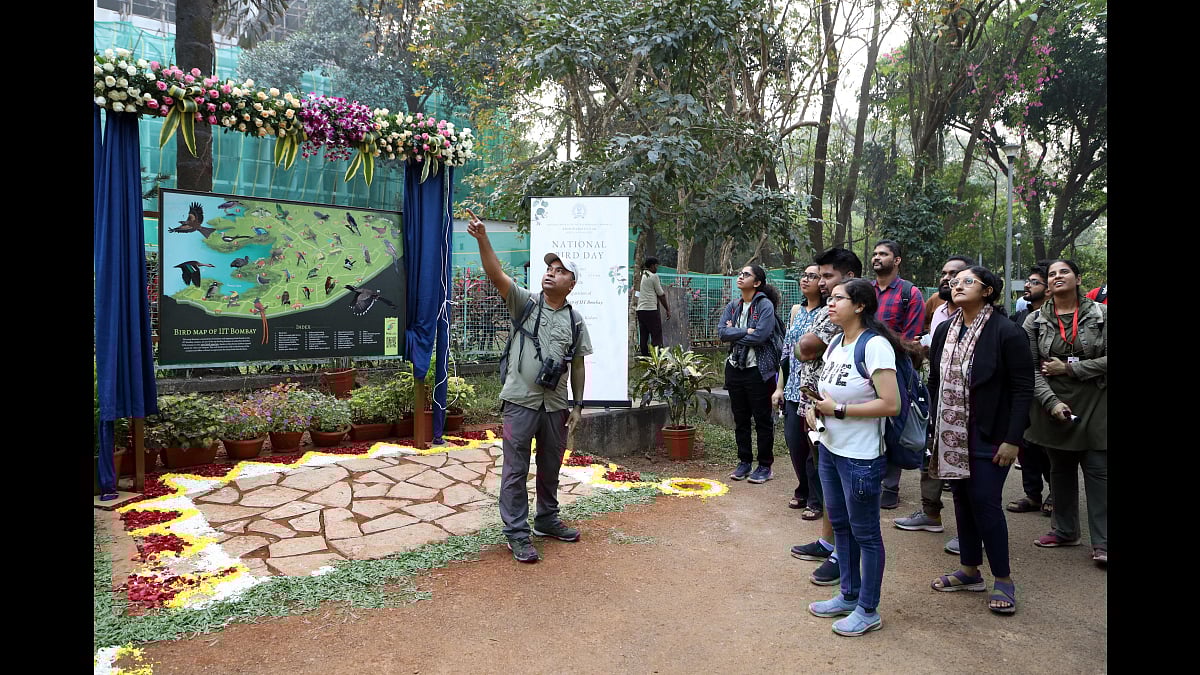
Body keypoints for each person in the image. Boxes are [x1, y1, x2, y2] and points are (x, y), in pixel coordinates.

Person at [466, 215, 594, 564]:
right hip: (520, 402)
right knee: (515, 469)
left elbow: (578, 363)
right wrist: (482, 240)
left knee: (551, 465)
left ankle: (547, 519)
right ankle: (517, 533)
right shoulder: (525, 303)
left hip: (555, 405)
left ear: (572, 283)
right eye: (549, 267)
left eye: (560, 269)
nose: (551, 271)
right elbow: (496, 275)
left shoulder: (575, 319)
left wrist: (578, 406)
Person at [926, 266, 1033, 615]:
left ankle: (1003, 578)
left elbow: (1022, 390)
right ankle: (970, 571)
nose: (957, 285)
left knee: (985, 502)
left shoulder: (1008, 332)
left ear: (988, 291)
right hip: (951, 432)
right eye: (954, 283)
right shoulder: (944, 329)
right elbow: (935, 383)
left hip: (991, 433)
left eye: (967, 281)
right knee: (961, 498)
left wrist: (1013, 439)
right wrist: (935, 429)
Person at [804, 278, 904, 636]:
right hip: (831, 448)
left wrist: (840, 409)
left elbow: (890, 404)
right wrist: (818, 409)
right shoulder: (835, 342)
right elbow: (828, 392)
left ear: (860, 306)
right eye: (829, 299)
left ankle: (868, 608)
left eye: (838, 299)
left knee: (866, 533)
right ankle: (848, 594)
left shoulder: (874, 346)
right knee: (842, 526)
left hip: (861, 456)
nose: (830, 304)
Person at [1024, 259, 1107, 567]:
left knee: (1098, 470)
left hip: (1096, 398)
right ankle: (1064, 530)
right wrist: (1050, 401)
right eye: (1052, 274)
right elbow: (1029, 369)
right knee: (1060, 468)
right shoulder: (1034, 321)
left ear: (1078, 278)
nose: (1057, 277)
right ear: (1047, 284)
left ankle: (1103, 541)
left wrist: (1072, 368)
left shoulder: (1101, 315)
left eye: (1064, 272)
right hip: (1053, 401)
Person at [789, 247, 862, 588]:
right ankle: (829, 543)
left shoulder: (861, 335)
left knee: (848, 490)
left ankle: (843, 558)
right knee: (827, 477)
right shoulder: (831, 316)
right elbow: (801, 346)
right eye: (818, 276)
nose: (819, 282)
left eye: (827, 276)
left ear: (850, 280)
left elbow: (804, 347)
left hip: (842, 417)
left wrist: (834, 408)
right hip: (818, 410)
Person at [893, 255, 972, 555]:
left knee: (967, 465)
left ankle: (972, 532)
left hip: (967, 404)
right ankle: (930, 513)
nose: (948, 279)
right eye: (945, 273)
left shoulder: (988, 322)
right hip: (935, 392)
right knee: (931, 451)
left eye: (956, 274)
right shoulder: (937, 309)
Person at [871, 239, 927, 510]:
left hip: (897, 370)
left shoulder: (910, 293)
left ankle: (890, 487)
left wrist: (884, 349)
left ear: (897, 260)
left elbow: (911, 339)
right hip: (863, 368)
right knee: (870, 424)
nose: (877, 257)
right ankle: (871, 479)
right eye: (875, 253)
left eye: (883, 254)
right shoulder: (865, 291)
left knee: (894, 425)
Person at [719, 264, 782, 484]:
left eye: (746, 274)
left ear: (757, 283)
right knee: (741, 418)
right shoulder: (734, 305)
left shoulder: (765, 305)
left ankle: (765, 465)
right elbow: (721, 333)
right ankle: (744, 461)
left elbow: (761, 337)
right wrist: (746, 331)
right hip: (735, 367)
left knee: (762, 418)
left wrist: (734, 334)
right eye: (740, 273)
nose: (740, 276)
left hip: (758, 370)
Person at [772, 264, 825, 517]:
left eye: (813, 276)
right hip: (793, 388)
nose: (806, 279)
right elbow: (786, 353)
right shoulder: (795, 310)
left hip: (814, 391)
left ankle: (816, 499)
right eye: (804, 275)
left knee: (813, 447)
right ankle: (803, 488)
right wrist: (779, 386)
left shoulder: (828, 312)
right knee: (795, 444)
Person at [1008, 265, 1054, 517]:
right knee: (1026, 445)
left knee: (1048, 445)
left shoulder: (1054, 318)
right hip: (1022, 390)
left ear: (1048, 290)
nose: (1027, 285)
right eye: (1027, 281)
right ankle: (1032, 494)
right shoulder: (1019, 317)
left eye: (1034, 282)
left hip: (1047, 389)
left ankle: (1055, 493)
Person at [635, 256, 671, 357]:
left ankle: (645, 357)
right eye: (656, 266)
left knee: (644, 335)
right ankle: (657, 357)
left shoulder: (640, 276)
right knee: (656, 334)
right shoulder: (653, 276)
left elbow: (636, 293)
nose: (657, 268)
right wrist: (667, 309)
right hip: (650, 309)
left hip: (640, 310)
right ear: (651, 266)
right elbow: (661, 294)